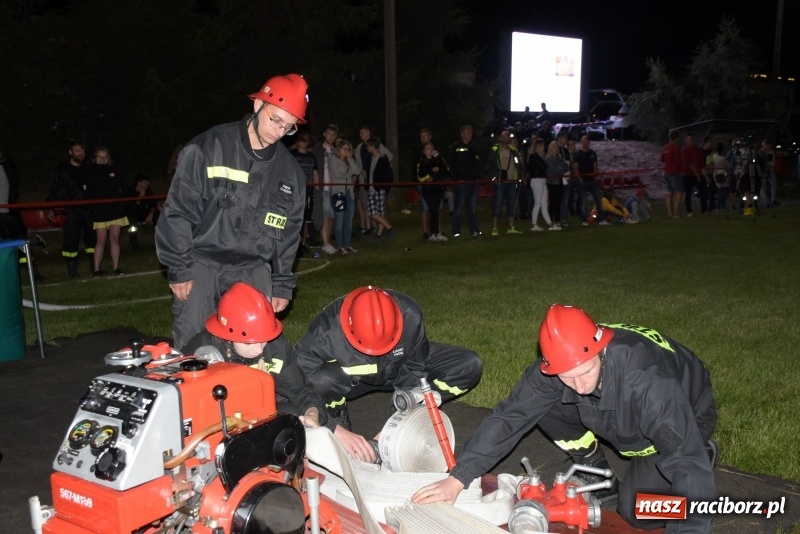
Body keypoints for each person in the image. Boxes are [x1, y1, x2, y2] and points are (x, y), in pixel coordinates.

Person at [412, 304, 718, 534]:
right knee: (546, 404)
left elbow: (685, 462)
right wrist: (458, 478)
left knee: (638, 510)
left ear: (600, 351)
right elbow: (510, 417)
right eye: (567, 376)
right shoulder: (561, 366)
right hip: (624, 402)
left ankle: (705, 448)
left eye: (585, 372)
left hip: (687, 408)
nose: (579, 385)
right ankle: (598, 473)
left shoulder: (648, 384)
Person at [156, 73, 308, 349]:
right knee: (193, 347)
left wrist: (283, 283)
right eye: (275, 120)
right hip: (202, 263)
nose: (279, 131)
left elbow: (289, 233)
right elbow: (178, 210)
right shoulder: (208, 148)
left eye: (289, 127)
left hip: (253, 269)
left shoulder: (290, 173)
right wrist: (179, 267)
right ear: (257, 106)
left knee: (254, 350)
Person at [295, 286, 483, 462]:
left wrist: (396, 426)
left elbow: (414, 370)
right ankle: (336, 413)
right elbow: (294, 386)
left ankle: (417, 413)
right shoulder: (326, 331)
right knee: (319, 381)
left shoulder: (410, 315)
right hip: (351, 380)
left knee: (468, 365)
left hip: (395, 370)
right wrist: (332, 428)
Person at [180, 282, 326, 428]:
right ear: (226, 336)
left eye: (264, 341)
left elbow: (299, 389)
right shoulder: (201, 351)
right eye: (249, 343)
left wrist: (312, 413)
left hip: (259, 409)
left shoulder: (275, 346)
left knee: (294, 419)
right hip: (216, 417)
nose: (259, 350)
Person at [45, 140, 96, 278]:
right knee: (71, 239)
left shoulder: (89, 168)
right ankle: (72, 270)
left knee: (92, 238)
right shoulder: (61, 169)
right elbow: (54, 188)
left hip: (88, 209)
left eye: (83, 151)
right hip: (70, 210)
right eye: (78, 150)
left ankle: (95, 266)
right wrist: (51, 208)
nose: (81, 153)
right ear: (70, 152)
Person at [86, 147, 129, 276]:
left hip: (116, 210)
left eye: (104, 156)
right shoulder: (91, 172)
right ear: (95, 158)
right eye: (99, 156)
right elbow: (88, 193)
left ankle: (116, 267)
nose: (102, 159)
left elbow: (124, 188)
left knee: (115, 239)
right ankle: (96, 270)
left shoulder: (115, 170)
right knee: (101, 240)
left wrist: (122, 204)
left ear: (108, 158)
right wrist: (93, 209)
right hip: (100, 211)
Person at [447, 125, 482, 239]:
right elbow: (450, 165)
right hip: (461, 183)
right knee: (458, 207)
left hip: (473, 182)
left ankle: (474, 229)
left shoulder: (474, 147)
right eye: (467, 132)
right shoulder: (455, 146)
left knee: (472, 207)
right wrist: (457, 179)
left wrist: (477, 177)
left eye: (471, 133)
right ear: (462, 134)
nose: (469, 135)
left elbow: (477, 164)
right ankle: (456, 230)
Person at [487, 129, 523, 236]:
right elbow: (488, 166)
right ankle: (495, 228)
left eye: (507, 136)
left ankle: (511, 226)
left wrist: (518, 175)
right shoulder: (495, 150)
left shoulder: (514, 150)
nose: (505, 138)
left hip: (512, 182)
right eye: (503, 136)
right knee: (497, 204)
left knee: (512, 204)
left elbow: (518, 165)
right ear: (499, 138)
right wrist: (494, 178)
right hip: (500, 182)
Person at [289, 131, 320, 255]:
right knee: (294, 216)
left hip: (308, 189)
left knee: (306, 217)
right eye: (301, 139)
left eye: (305, 140)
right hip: (295, 189)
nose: (303, 142)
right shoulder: (292, 154)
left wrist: (317, 189)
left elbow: (315, 172)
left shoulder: (311, 156)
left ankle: (302, 244)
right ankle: (292, 243)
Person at [328, 138, 361, 254]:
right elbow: (338, 174)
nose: (347, 151)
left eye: (348, 149)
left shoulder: (349, 160)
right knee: (339, 220)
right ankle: (340, 245)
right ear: (339, 149)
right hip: (338, 194)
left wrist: (351, 158)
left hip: (349, 193)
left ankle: (348, 245)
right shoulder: (333, 160)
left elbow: (357, 171)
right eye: (344, 149)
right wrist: (350, 172)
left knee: (349, 220)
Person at [311, 124, 339, 254]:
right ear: (324, 134)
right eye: (329, 134)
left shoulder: (337, 150)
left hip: (335, 189)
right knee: (324, 214)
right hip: (323, 187)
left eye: (333, 135)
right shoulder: (317, 149)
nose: (331, 137)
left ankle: (328, 242)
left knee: (331, 216)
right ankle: (326, 243)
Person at [365, 137, 397, 240]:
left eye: (368, 146)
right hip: (371, 189)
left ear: (373, 146)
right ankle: (385, 231)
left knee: (376, 213)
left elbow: (389, 176)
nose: (367, 148)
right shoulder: (371, 159)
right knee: (374, 213)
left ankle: (385, 231)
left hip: (379, 189)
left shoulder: (383, 160)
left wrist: (385, 188)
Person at [416, 141, 448, 241]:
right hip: (428, 190)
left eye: (431, 147)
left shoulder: (437, 160)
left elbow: (446, 170)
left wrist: (439, 158)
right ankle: (433, 233)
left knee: (436, 211)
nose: (430, 149)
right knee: (433, 211)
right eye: (428, 148)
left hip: (438, 189)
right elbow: (420, 177)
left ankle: (436, 233)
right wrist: (428, 175)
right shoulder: (421, 162)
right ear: (424, 151)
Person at [572, 135, 602, 227]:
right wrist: (580, 179)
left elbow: (595, 166)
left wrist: (596, 177)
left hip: (592, 180)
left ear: (589, 142)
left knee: (599, 200)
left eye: (585, 141)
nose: (584, 143)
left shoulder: (592, 153)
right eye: (582, 141)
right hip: (583, 181)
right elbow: (575, 168)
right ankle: (584, 220)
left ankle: (600, 219)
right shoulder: (578, 154)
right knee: (582, 202)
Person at [126, 173, 158, 251]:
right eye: (145, 182)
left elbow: (153, 203)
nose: (148, 183)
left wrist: (151, 213)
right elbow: (130, 209)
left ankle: (160, 241)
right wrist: (140, 197)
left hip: (143, 212)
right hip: (132, 214)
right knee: (132, 220)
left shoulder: (148, 190)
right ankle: (134, 244)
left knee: (158, 215)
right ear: (139, 183)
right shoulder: (130, 190)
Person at [661, 130, 683, 218]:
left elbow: (662, 159)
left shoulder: (665, 148)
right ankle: (676, 213)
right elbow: (679, 161)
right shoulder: (676, 148)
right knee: (679, 192)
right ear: (676, 138)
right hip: (675, 173)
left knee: (669, 193)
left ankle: (670, 213)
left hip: (666, 172)